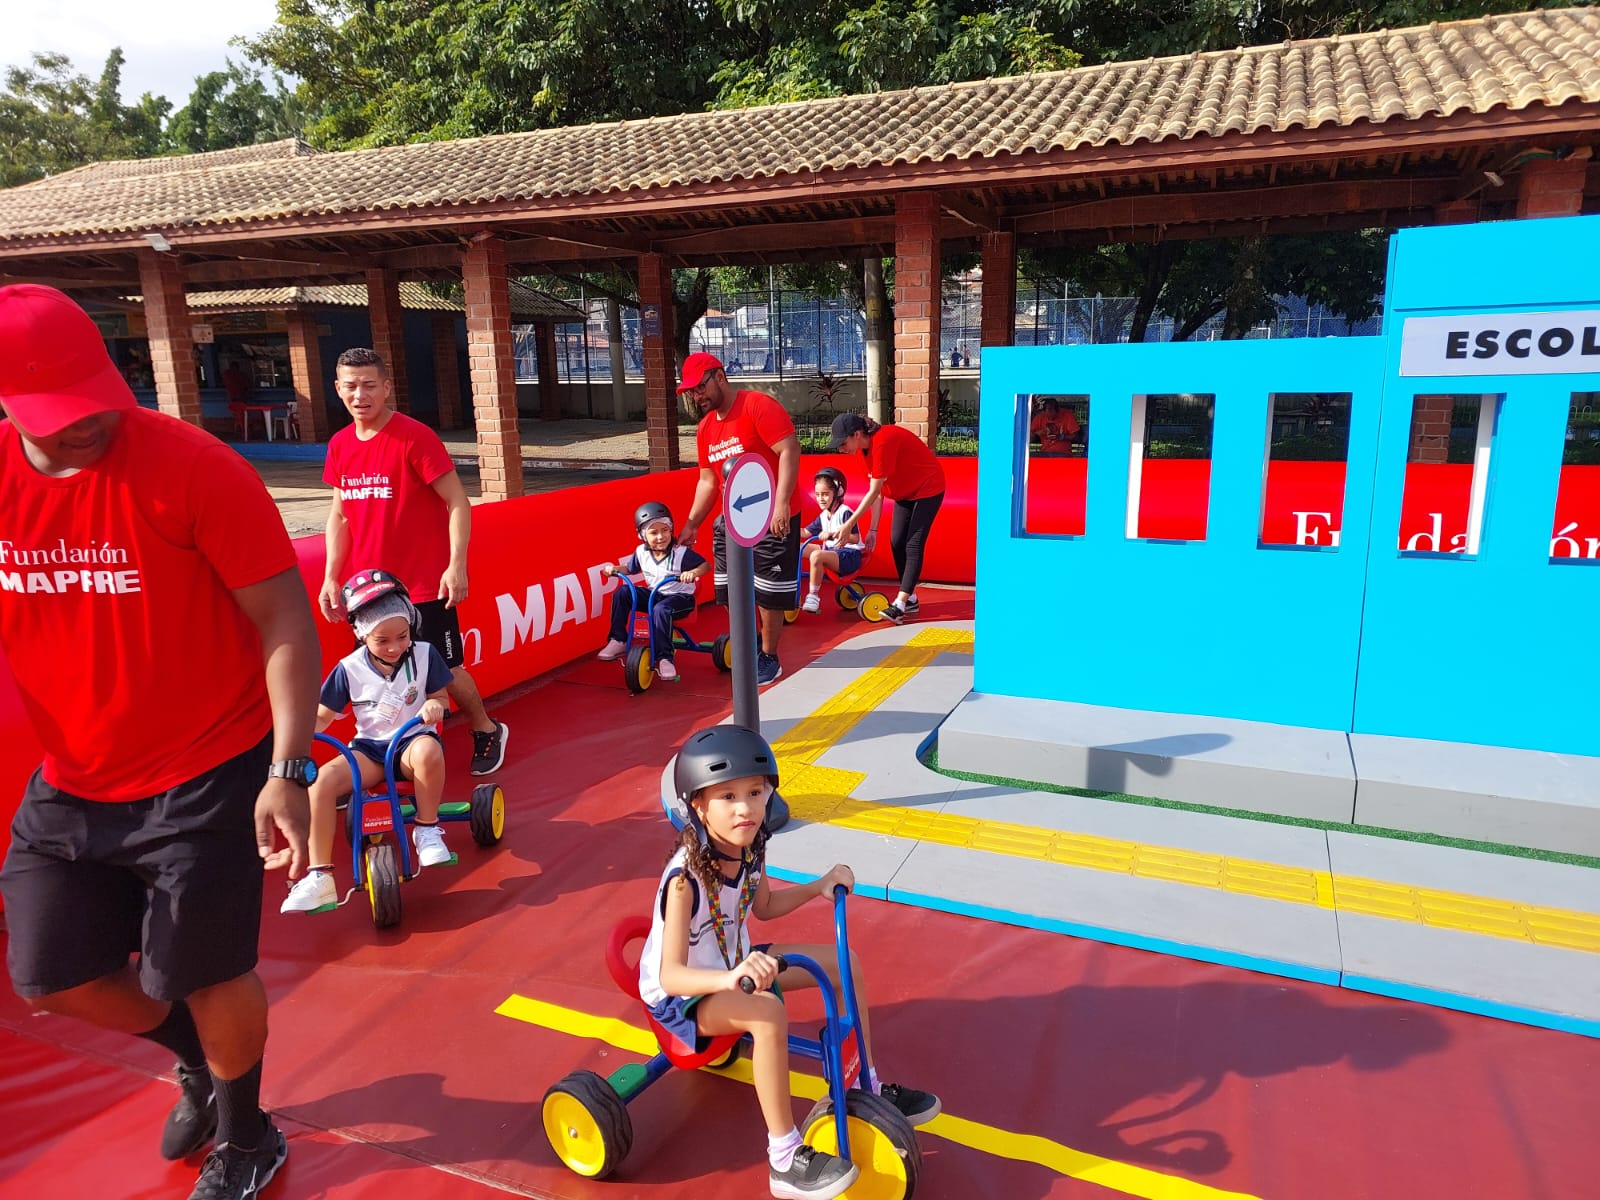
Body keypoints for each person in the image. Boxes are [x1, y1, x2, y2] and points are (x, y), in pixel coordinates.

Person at [0, 284, 319, 1200]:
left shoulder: (193, 468)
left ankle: (248, 1136)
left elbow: (286, 620)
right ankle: (202, 1065)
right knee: (50, 976)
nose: (86, 424)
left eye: (95, 398)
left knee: (209, 970)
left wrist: (287, 768)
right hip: (73, 775)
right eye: (58, 414)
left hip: (207, 766)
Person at [639, 725, 940, 1200]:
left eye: (755, 792)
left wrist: (818, 886)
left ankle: (868, 1084)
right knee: (767, 1013)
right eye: (728, 797)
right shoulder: (685, 880)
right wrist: (732, 976)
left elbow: (763, 907)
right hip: (683, 999)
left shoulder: (750, 847)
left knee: (844, 963)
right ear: (698, 806)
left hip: (737, 966)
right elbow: (671, 975)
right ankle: (783, 1157)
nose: (745, 808)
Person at [319, 347, 508, 776]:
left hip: (423, 583)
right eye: (351, 386)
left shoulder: (413, 437)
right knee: (373, 671)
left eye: (369, 385)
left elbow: (457, 501)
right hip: (369, 591)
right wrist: (332, 577)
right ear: (338, 389)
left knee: (445, 667)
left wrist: (456, 564)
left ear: (386, 387)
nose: (360, 395)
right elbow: (340, 515)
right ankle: (378, 755)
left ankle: (486, 728)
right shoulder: (340, 445)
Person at [280, 570, 456, 915]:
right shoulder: (349, 668)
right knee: (321, 783)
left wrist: (435, 704)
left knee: (428, 750)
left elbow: (441, 697)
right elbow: (322, 717)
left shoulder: (425, 654)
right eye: (382, 640)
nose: (394, 647)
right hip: (370, 751)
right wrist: (295, 728)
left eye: (402, 636)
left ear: (412, 625)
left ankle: (426, 829)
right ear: (362, 635)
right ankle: (320, 876)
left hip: (411, 742)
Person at [676, 352, 800, 685]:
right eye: (691, 391)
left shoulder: (757, 406)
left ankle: (769, 656)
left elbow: (789, 450)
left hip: (773, 516)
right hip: (733, 520)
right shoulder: (705, 429)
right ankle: (750, 643)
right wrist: (691, 524)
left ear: (720, 377)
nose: (697, 396)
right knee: (727, 588)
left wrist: (782, 504)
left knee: (769, 592)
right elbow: (708, 481)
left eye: (700, 387)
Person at [826, 413, 946, 625]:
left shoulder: (883, 442)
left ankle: (900, 604)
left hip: (928, 487)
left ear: (857, 434)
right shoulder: (861, 452)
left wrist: (849, 524)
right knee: (896, 541)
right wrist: (873, 530)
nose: (841, 449)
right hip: (904, 493)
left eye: (843, 443)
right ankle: (911, 598)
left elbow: (874, 491)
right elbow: (878, 493)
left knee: (913, 544)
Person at [596, 502, 709, 682]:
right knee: (623, 592)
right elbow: (630, 569)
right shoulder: (641, 552)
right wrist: (614, 569)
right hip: (655, 595)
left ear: (671, 530)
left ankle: (665, 658)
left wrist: (692, 573)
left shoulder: (680, 553)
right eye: (653, 533)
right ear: (642, 535)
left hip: (681, 598)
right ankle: (618, 640)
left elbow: (705, 565)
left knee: (661, 609)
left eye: (665, 530)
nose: (660, 537)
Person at [799, 467, 863, 614]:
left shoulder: (845, 512)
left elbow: (855, 538)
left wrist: (832, 534)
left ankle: (813, 596)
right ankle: (786, 584)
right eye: (817, 494)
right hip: (833, 551)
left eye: (825, 494)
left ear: (838, 492)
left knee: (817, 555)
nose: (821, 498)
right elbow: (805, 533)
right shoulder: (823, 515)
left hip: (849, 555)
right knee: (798, 547)